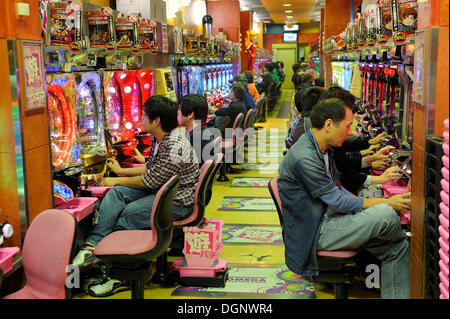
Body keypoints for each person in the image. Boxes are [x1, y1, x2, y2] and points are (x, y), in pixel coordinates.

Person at [278, 98, 410, 299]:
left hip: (329, 218)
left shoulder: (323, 149)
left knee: (398, 247)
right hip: (315, 233)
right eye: (347, 127)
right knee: (386, 215)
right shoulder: (305, 156)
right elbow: (338, 200)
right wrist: (387, 203)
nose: (349, 132)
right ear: (329, 124)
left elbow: (339, 189)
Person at [73, 95, 201, 271]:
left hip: (177, 202)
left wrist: (114, 179)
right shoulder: (161, 137)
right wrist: (121, 172)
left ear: (156, 121)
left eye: (144, 115)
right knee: (116, 192)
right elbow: (150, 168)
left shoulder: (173, 146)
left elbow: (148, 181)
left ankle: (111, 270)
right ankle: (92, 246)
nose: (141, 118)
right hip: (161, 190)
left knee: (124, 217)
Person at [177, 94, 217, 167]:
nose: (177, 112)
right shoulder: (202, 131)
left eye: (179, 109)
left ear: (190, 114)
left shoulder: (194, 138)